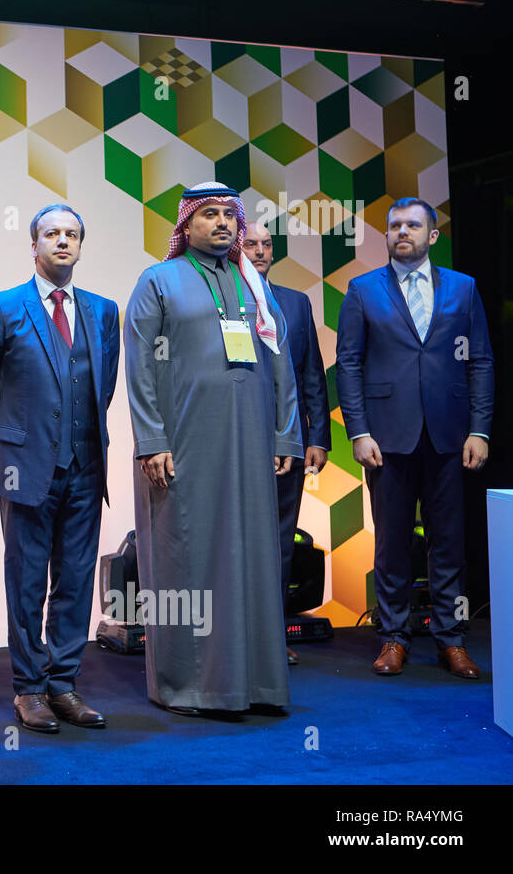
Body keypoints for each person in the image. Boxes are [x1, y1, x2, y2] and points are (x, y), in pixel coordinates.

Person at [124, 182, 302, 716]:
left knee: (251, 557)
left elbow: (280, 363)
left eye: (230, 214)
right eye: (210, 215)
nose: (222, 223)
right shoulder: (158, 281)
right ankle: (191, 686)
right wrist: (151, 439)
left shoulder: (254, 286)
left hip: (250, 442)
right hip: (183, 444)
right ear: (186, 224)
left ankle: (256, 684)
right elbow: (139, 369)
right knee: (188, 556)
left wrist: (284, 432)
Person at [0, 205, 118, 732]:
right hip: (24, 471)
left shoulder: (103, 311)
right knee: (27, 580)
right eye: (51, 233)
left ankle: (64, 685)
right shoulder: (3, 307)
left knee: (74, 580)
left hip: (86, 469)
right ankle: (28, 689)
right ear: (33, 246)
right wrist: (10, 444)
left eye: (72, 233)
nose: (62, 241)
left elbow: (103, 387)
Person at [335, 197, 493, 678]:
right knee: (391, 544)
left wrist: (480, 429)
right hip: (386, 437)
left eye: (412, 225)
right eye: (394, 226)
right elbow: (349, 365)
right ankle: (393, 638)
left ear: (432, 236)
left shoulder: (464, 290)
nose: (402, 232)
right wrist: (358, 431)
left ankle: (452, 639)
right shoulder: (363, 290)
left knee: (449, 544)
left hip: (449, 435)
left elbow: (480, 361)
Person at [241, 221, 330, 664]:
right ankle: (233, 642)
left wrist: (319, 437)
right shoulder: (220, 299)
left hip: (288, 443)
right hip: (231, 443)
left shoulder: (296, 303)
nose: (259, 251)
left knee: (278, 543)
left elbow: (312, 373)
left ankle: (272, 639)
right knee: (233, 542)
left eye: (266, 244)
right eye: (250, 244)